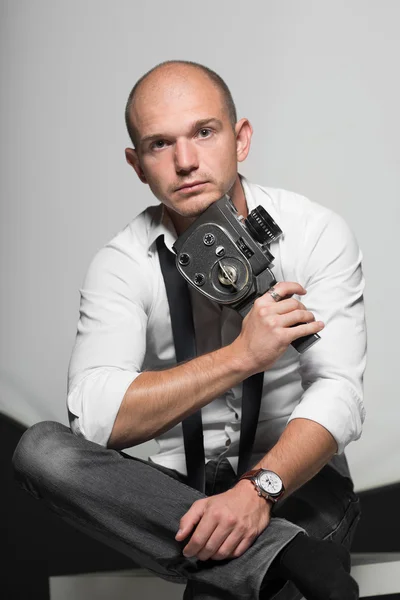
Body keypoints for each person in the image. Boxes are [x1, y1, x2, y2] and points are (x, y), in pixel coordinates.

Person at [12, 60, 366, 600]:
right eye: (159, 144)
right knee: (42, 451)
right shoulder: (122, 262)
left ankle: (264, 547)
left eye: (204, 132)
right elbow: (95, 418)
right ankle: (282, 550)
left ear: (240, 139)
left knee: (216, 592)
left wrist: (259, 492)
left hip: (295, 483)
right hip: (177, 491)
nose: (185, 162)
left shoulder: (315, 233)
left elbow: (339, 391)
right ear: (137, 165)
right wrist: (241, 356)